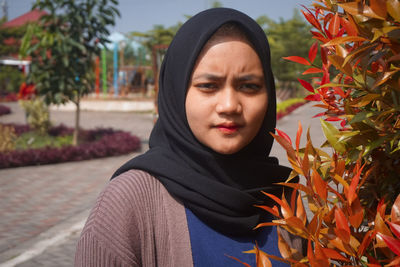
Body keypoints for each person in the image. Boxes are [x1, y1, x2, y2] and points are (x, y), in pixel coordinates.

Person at [75, 8, 300, 267]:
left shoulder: (284, 197)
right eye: (208, 86)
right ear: (177, 92)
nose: (229, 105)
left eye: (249, 86)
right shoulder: (129, 203)